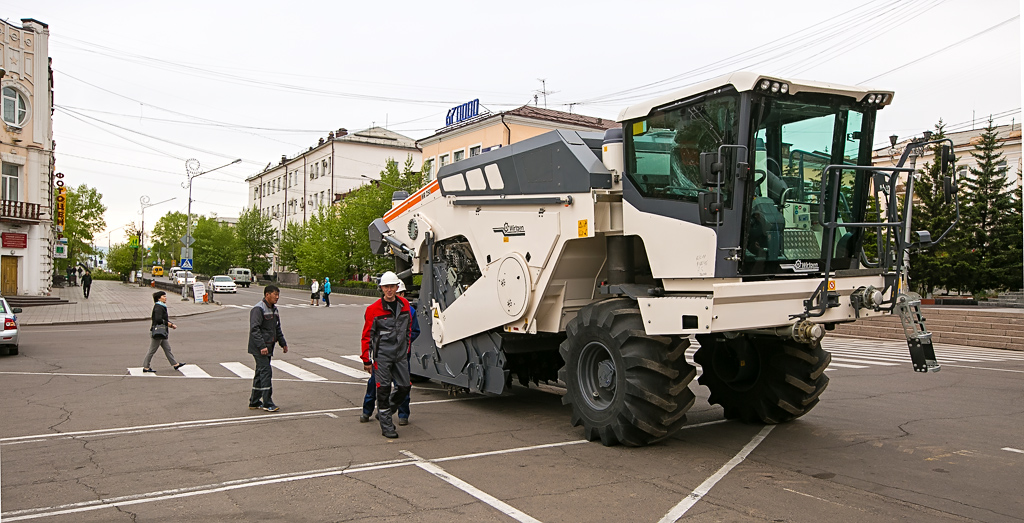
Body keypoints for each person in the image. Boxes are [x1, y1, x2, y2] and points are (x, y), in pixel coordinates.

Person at [360, 271, 413, 438]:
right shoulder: (373, 310)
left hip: (400, 355)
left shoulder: (405, 305)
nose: (389, 290)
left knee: (405, 387)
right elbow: (367, 335)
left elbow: (408, 329)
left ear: (397, 287)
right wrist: (366, 359)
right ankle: (386, 425)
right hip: (382, 356)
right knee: (382, 390)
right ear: (381, 288)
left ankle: (386, 410)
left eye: (392, 286)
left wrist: (407, 348)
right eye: (386, 287)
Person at [249, 285, 288, 412]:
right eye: (274, 294)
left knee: (260, 373)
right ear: (267, 295)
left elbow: (277, 328)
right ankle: (267, 402)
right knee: (266, 372)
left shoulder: (274, 310)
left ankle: (254, 401)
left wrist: (283, 343)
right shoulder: (258, 309)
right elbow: (255, 330)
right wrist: (262, 346)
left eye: (278, 295)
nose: (277, 297)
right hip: (260, 347)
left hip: (268, 346)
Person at [142, 291, 187, 373]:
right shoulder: (158, 307)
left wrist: (170, 324)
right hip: (158, 333)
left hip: (162, 333)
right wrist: (169, 324)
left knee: (167, 349)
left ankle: (175, 364)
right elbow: (158, 320)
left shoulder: (161, 306)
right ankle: (146, 367)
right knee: (152, 350)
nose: (165, 298)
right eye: (163, 296)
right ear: (159, 298)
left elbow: (164, 319)